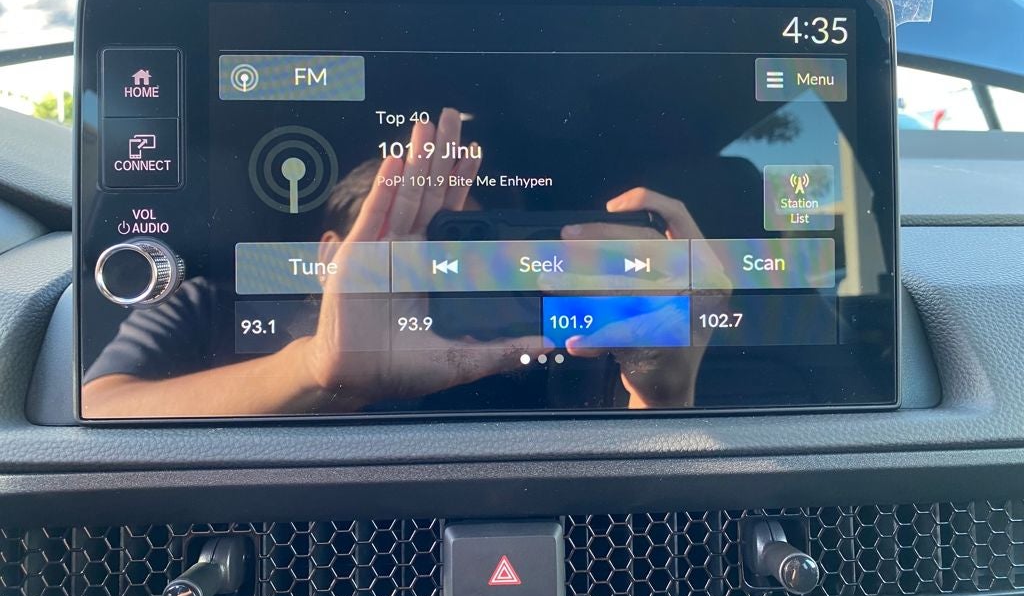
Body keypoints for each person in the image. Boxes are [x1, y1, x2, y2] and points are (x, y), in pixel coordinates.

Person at [83, 108, 723, 418]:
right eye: (413, 245)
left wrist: (664, 394)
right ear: (330, 253)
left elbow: (615, 508)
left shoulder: (523, 342)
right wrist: (313, 367)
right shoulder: (210, 303)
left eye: (463, 242)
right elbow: (99, 410)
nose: (446, 266)